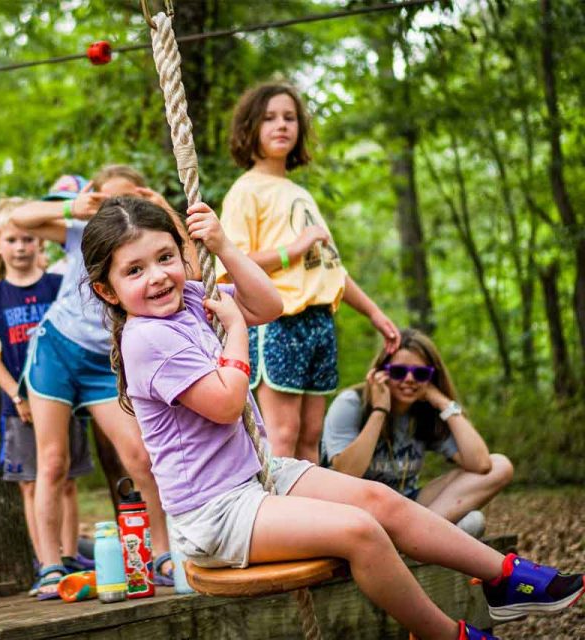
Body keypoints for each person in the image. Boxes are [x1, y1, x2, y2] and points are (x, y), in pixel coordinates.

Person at [81, 195, 584, 640]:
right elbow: (227, 401)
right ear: (108, 291)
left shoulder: (191, 297)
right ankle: (446, 635)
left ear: (183, 254)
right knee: (360, 530)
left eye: (166, 257)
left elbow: (269, 303)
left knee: (377, 498)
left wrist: (227, 248)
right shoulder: (147, 339)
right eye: (135, 270)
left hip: (257, 476)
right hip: (213, 513)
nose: (158, 276)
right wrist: (233, 329)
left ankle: (505, 578)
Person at [217, 82, 400, 463]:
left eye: (289, 118)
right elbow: (233, 263)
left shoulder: (299, 193)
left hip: (319, 322)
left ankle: (314, 520)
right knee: (282, 435)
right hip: (279, 319)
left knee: (311, 437)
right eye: (269, 118)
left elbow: (331, 270)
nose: (281, 125)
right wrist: (293, 249)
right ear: (250, 128)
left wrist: (374, 313)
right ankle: (279, 520)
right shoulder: (246, 190)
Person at [10, 175, 174, 599]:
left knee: (140, 455)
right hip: (57, 351)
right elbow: (18, 217)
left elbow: (187, 257)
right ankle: (49, 566)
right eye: (113, 194)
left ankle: (163, 551)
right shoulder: (83, 230)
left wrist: (161, 205)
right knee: (52, 460)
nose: (122, 200)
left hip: (103, 361)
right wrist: (72, 208)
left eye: (132, 194)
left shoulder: (151, 247)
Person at [0, 198, 94, 594]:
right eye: (12, 240)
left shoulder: (57, 286)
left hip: (63, 399)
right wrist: (17, 396)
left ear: (40, 244)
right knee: (31, 482)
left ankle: (70, 556)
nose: (21, 247)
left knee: (67, 479)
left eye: (27, 239)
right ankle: (46, 561)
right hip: (18, 408)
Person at [323, 329, 513, 538]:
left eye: (421, 373)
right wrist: (380, 410)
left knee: (499, 467)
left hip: (406, 506)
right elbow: (346, 473)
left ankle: (414, 536)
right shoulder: (351, 403)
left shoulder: (425, 412)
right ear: (381, 373)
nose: (410, 379)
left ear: (432, 377)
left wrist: (442, 402)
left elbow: (481, 463)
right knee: (467, 525)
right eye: (398, 372)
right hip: (356, 510)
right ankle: (418, 536)